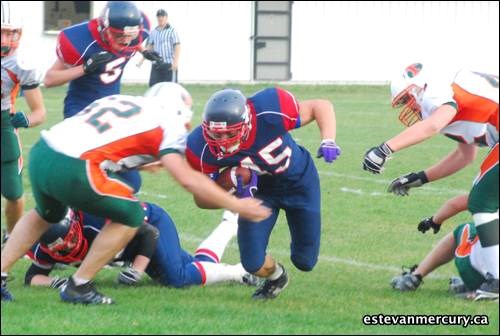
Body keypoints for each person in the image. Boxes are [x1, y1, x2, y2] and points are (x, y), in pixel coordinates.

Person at [0, 87, 270, 304]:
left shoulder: (125, 101)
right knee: (131, 214)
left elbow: (99, 137)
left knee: (46, 215)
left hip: (43, 153)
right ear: (180, 111)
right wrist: (237, 205)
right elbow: (187, 179)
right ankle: (79, 286)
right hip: (74, 165)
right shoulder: (170, 123)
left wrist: (142, 161)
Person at [186, 87, 341, 300]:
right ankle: (277, 277)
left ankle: (300, 257)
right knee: (252, 262)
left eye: (229, 133)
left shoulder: (270, 111)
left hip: (300, 183)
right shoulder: (200, 146)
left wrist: (328, 140)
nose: (221, 140)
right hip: (260, 194)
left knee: (305, 261)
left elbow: (320, 106)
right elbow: (201, 200)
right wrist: (230, 184)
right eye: (215, 133)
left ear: (247, 122)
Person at [362, 63, 499, 297]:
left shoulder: (438, 90)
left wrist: (384, 149)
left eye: (407, 99)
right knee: (482, 199)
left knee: (481, 201)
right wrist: (420, 178)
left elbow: (432, 125)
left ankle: (496, 282)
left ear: (420, 87)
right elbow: (465, 156)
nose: (410, 107)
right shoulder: (461, 98)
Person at [43, 1, 157, 193]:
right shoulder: (80, 40)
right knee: (84, 174)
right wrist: (84, 68)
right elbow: (49, 79)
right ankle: (71, 215)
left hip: (112, 111)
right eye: (119, 35)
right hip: (82, 110)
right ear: (104, 29)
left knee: (131, 181)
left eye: (130, 35)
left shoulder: (139, 29)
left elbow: (131, 41)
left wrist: (144, 51)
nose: (125, 41)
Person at [25, 203, 258, 289]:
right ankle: (230, 222)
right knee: (195, 266)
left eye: (70, 240)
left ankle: (238, 271)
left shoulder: (94, 222)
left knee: (175, 278)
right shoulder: (43, 244)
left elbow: (149, 233)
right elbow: (33, 276)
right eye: (59, 249)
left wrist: (136, 270)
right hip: (133, 243)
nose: (68, 248)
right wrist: (58, 282)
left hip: (149, 223)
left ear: (75, 225)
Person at [391, 196, 498, 301]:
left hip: (488, 276)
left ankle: (415, 276)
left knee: (466, 229)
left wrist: (433, 221)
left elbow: (456, 204)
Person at [1, 1, 47, 245]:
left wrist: (26, 120)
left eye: (11, 32)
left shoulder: (21, 63)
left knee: (14, 193)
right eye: (2, 32)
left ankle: (11, 239)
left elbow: (40, 112)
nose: (7, 38)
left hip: (3, 126)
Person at [144, 9, 181, 86]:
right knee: (153, 86)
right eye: (159, 16)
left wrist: (176, 61)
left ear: (166, 18)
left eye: (162, 16)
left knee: (170, 87)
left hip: (169, 64)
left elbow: (177, 45)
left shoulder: (172, 31)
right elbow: (149, 46)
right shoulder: (153, 32)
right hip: (156, 64)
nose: (160, 18)